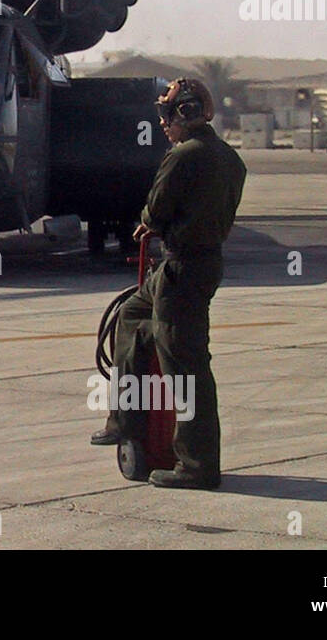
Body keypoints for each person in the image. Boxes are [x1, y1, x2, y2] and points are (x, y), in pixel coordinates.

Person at [90, 77, 247, 490]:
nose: (162, 124)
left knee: (186, 367)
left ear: (186, 113)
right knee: (130, 313)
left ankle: (197, 466)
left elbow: (156, 208)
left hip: (183, 269)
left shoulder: (183, 157)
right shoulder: (231, 159)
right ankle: (123, 419)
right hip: (194, 265)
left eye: (167, 115)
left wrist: (148, 222)